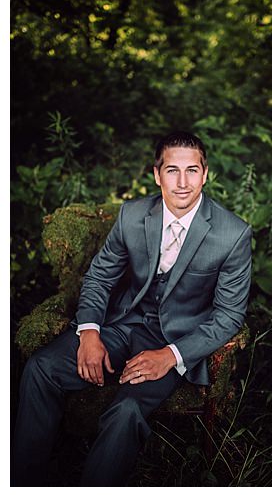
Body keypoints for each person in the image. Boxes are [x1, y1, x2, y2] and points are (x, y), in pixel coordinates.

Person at [11, 131, 252, 486]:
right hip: (122, 324)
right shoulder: (132, 216)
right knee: (41, 369)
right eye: (172, 171)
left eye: (191, 171)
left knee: (126, 411)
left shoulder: (233, 234)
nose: (182, 182)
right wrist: (89, 331)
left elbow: (229, 314)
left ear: (205, 174)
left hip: (175, 340)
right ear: (157, 175)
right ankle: (22, 481)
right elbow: (98, 278)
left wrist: (170, 356)